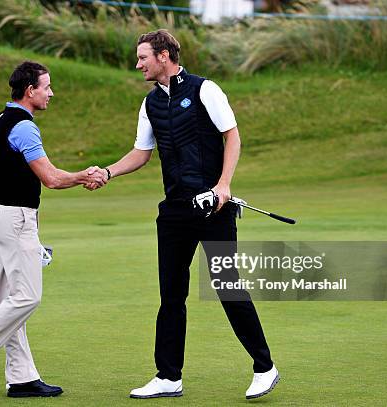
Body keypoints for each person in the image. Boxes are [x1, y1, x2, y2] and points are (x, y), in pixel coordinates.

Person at [86, 30, 279, 400]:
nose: (138, 64)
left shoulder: (205, 89)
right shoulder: (150, 104)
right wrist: (107, 172)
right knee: (171, 295)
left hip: (213, 207)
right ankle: (168, 376)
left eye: (143, 57)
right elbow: (141, 153)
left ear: (163, 55)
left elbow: (233, 137)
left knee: (227, 286)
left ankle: (265, 367)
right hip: (174, 210)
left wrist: (224, 185)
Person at [0, 61, 105, 398]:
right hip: (15, 221)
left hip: (0, 217)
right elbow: (51, 178)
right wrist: (84, 175)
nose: (51, 92)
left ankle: (20, 377)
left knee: (11, 299)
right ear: (30, 90)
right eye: (46, 86)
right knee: (27, 297)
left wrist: (2, 206)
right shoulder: (24, 127)